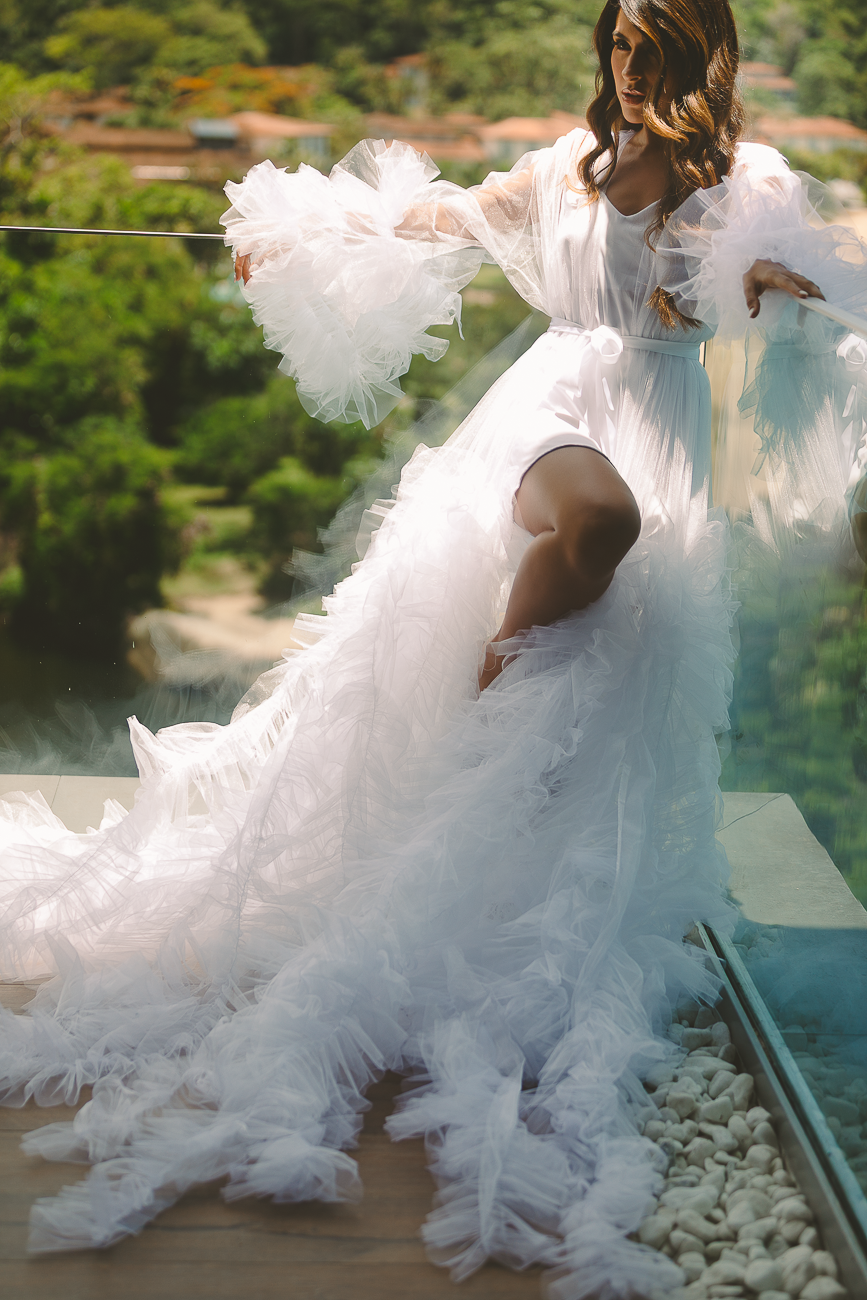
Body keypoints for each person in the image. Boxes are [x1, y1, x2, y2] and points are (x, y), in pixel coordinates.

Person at [1, 0, 864, 1294]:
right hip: (550, 420)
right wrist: (296, 246)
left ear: (696, 58)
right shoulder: (561, 178)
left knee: (605, 667)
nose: (626, 64)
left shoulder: (728, 194)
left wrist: (784, 284)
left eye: (650, 45)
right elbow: (429, 221)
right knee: (597, 522)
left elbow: (795, 268)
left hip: (657, 427)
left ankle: (500, 763)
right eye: (615, 42)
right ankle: (494, 661)